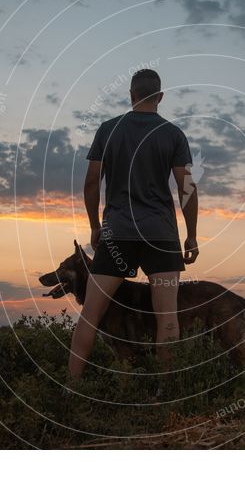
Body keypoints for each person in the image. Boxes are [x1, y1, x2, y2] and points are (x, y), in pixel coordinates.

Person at [68, 68, 199, 379]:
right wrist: (191, 236)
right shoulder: (173, 134)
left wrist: (94, 226)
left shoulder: (108, 129)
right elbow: (187, 188)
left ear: (131, 95)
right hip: (161, 235)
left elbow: (90, 183)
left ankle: (70, 390)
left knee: (90, 315)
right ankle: (167, 394)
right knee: (167, 316)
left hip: (117, 234)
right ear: (161, 97)